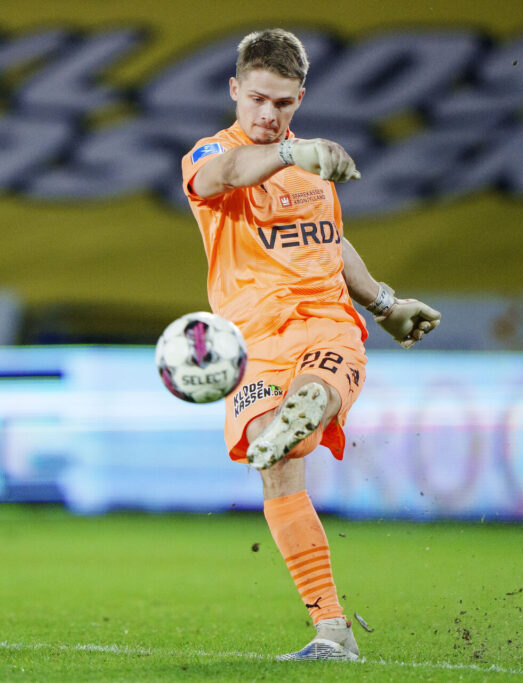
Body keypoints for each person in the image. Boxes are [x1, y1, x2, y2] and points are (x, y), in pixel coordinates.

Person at [180, 28, 440, 661]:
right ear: (235, 90)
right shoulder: (211, 154)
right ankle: (333, 630)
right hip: (255, 341)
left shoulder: (310, 167)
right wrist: (296, 156)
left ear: (301, 97)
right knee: (278, 466)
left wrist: (384, 305)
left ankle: (304, 410)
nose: (269, 116)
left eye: (284, 104)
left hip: (326, 323)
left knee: (304, 406)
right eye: (258, 100)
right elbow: (231, 173)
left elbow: (330, 242)